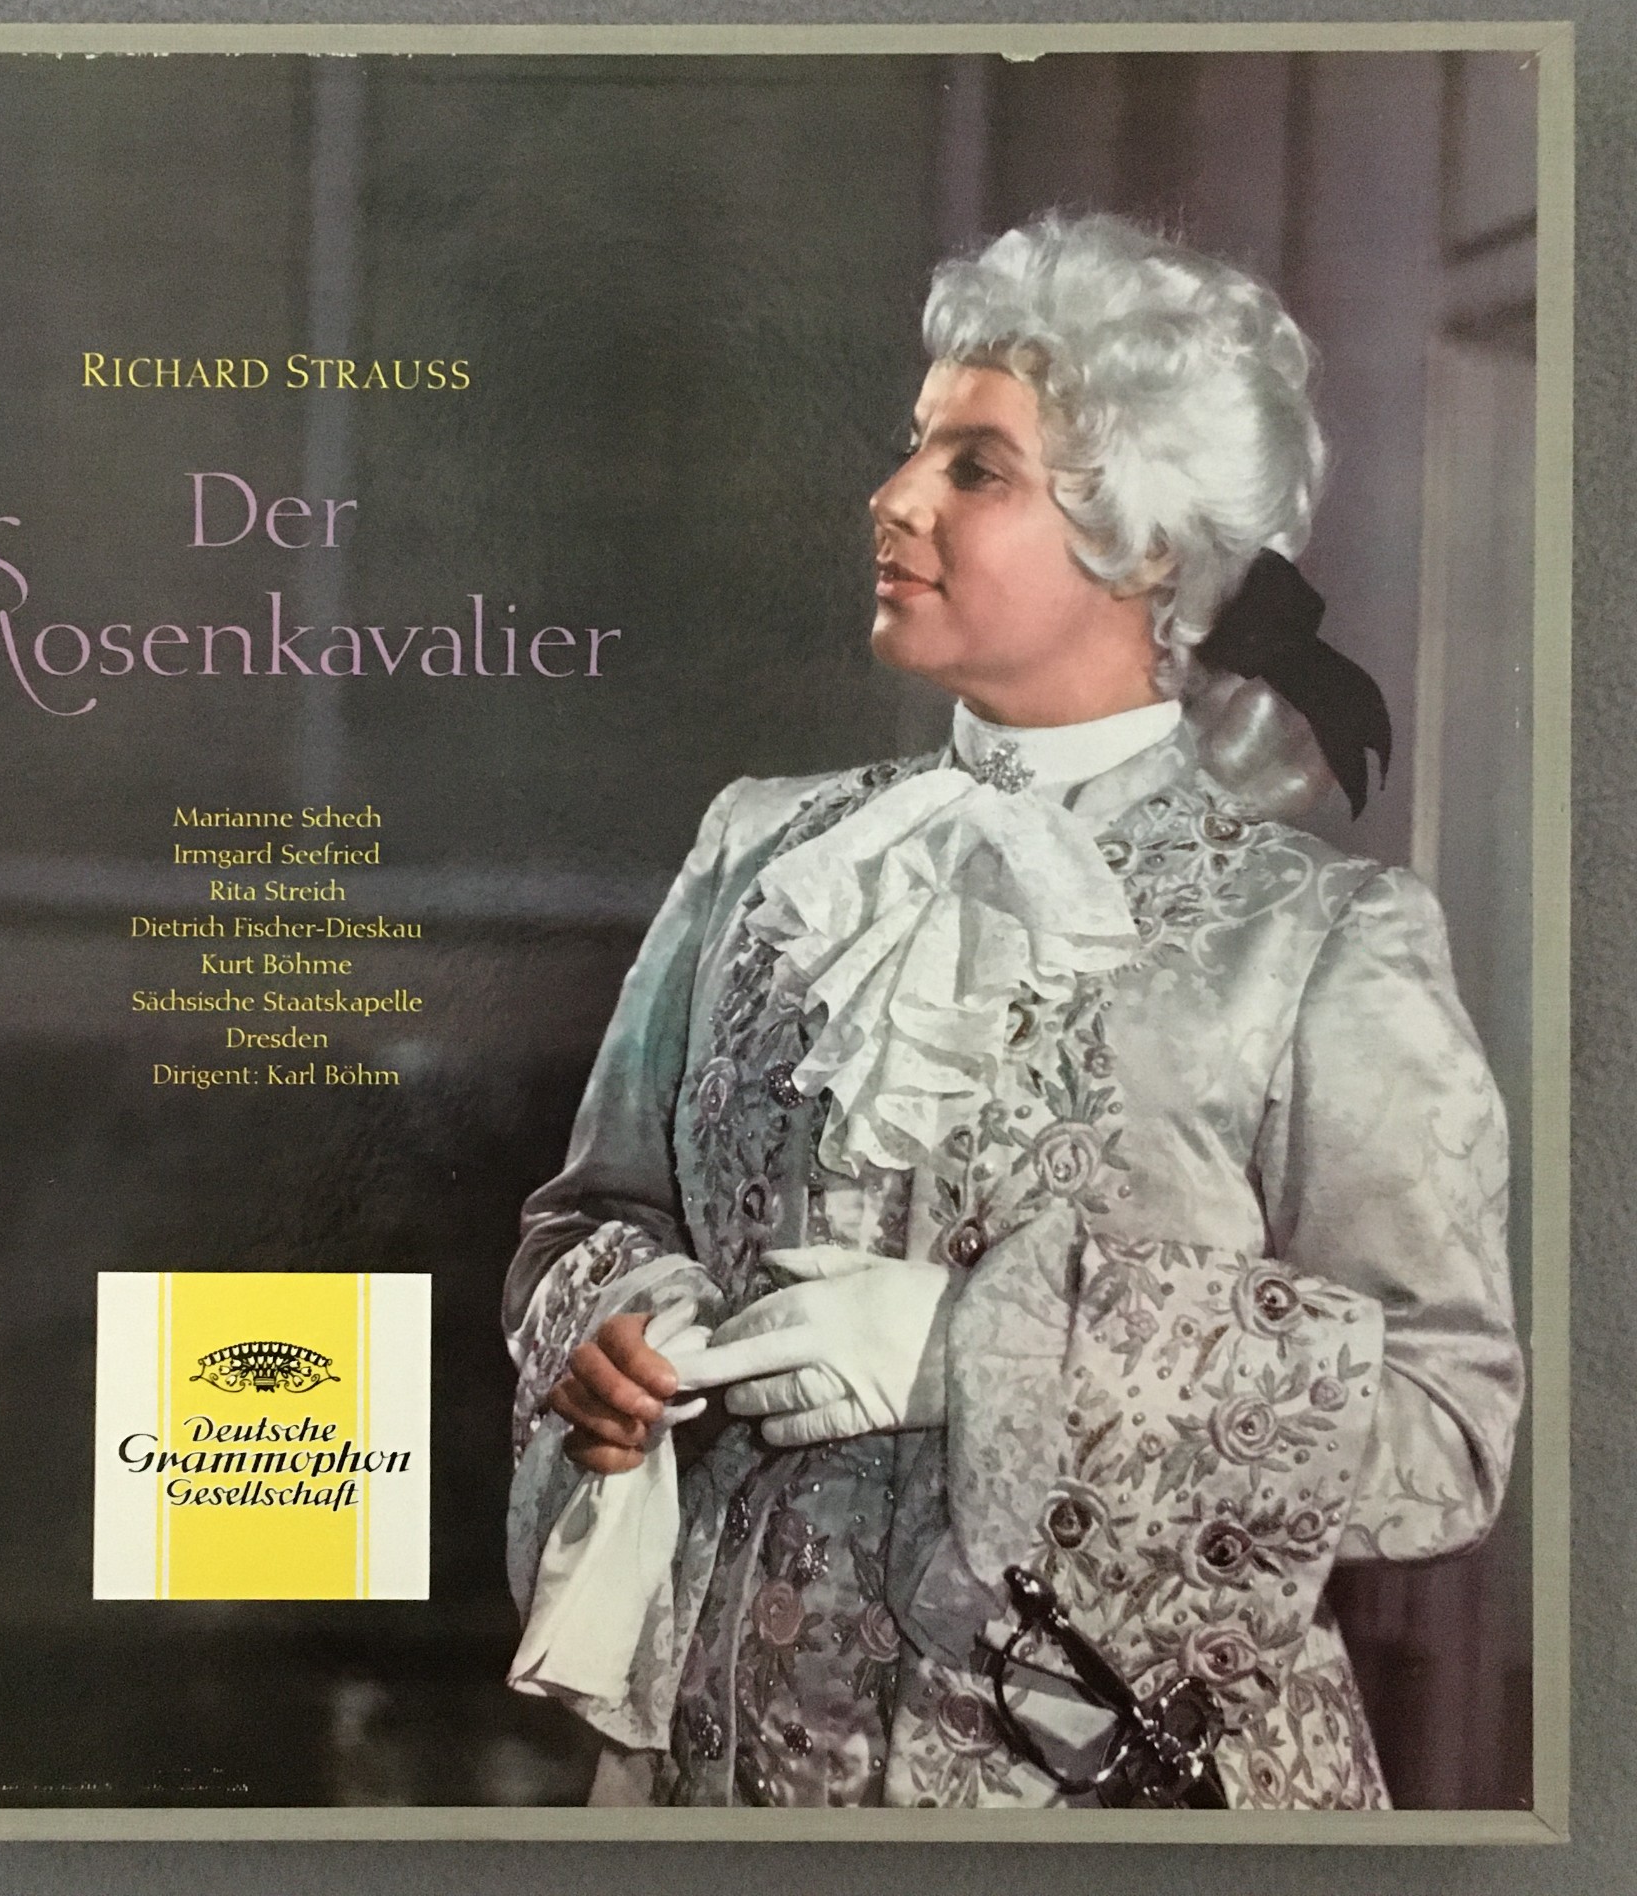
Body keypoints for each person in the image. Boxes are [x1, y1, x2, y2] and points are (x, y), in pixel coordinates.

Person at [501, 212, 1523, 1810]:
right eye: (915, 447)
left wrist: (986, 1352)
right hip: (728, 1785)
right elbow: (592, 1218)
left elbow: (1444, 1430)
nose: (895, 497)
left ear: (1148, 546)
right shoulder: (760, 851)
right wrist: (614, 1334)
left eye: (976, 467)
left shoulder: (1320, 940)